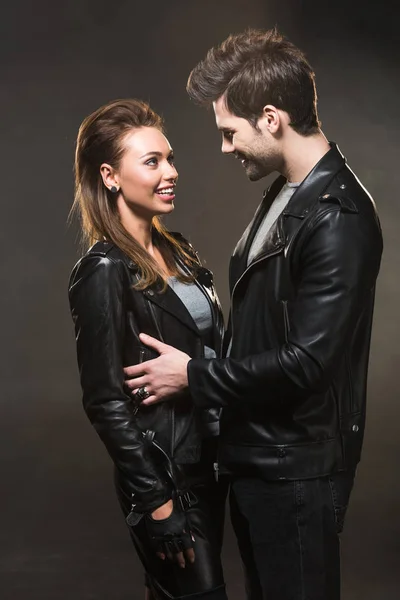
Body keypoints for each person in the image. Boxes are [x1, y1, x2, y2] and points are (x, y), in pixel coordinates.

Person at [123, 29, 384, 600]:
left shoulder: (338, 216)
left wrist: (192, 377)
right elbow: (265, 329)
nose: (223, 148)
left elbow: (307, 364)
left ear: (271, 119)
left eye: (228, 132)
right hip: (258, 463)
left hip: (294, 473)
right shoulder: (287, 194)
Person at [68, 98, 228, 600]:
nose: (171, 172)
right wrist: (157, 503)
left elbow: (209, 349)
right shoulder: (103, 271)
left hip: (212, 463)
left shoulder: (178, 249)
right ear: (110, 176)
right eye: (152, 161)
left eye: (170, 158)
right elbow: (104, 401)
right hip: (165, 478)